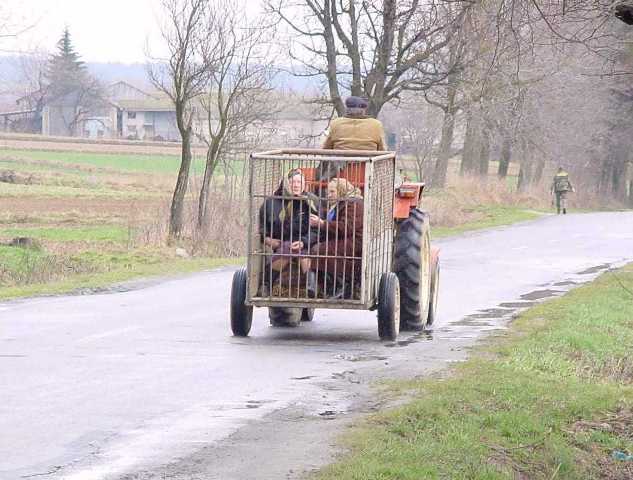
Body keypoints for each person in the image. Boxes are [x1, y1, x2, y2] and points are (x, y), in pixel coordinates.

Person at [259, 168, 319, 293]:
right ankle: (267, 284)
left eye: (299, 182)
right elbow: (263, 226)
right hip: (281, 241)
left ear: (304, 185)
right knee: (287, 247)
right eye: (293, 182)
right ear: (286, 183)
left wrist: (304, 241)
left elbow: (317, 229)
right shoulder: (271, 202)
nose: (296, 185)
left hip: (305, 242)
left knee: (297, 249)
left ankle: (310, 286)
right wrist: (267, 239)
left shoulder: (311, 201)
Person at [310, 178, 364, 298]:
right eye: (327, 192)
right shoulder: (342, 203)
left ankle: (338, 285)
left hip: (354, 241)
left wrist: (322, 223)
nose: (329, 195)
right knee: (316, 248)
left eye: (332, 191)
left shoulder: (353, 203)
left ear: (341, 191)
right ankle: (322, 286)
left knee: (319, 250)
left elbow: (346, 227)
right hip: (344, 239)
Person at [318, 96, 386, 181]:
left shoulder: (336, 123)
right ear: (363, 110)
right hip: (368, 170)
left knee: (324, 165)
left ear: (347, 109)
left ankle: (319, 186)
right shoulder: (376, 125)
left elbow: (326, 148)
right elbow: (382, 150)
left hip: (337, 172)